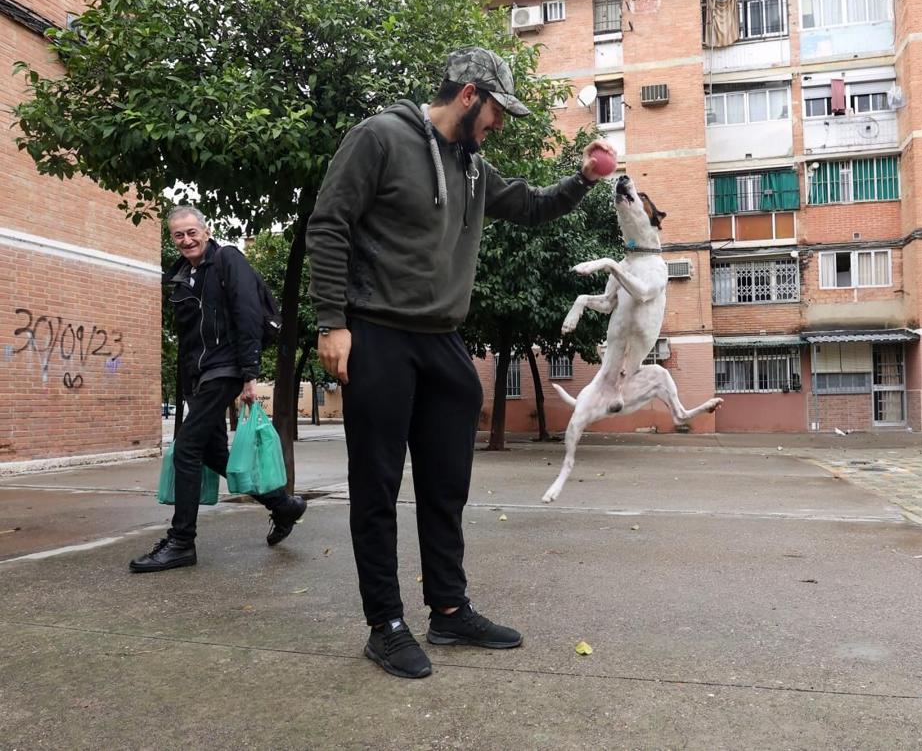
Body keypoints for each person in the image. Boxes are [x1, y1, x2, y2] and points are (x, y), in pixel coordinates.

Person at [307, 47, 616, 679]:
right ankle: (384, 624)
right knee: (377, 486)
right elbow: (329, 224)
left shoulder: (472, 167)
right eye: (499, 111)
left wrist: (582, 180)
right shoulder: (381, 138)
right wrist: (331, 323)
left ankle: (447, 608)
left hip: (443, 339)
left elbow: (529, 206)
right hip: (377, 333)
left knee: (447, 484)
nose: (501, 124)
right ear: (471, 94)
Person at [131, 206, 307, 573]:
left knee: (187, 448)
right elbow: (187, 340)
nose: (186, 240)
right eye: (178, 235)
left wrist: (249, 374)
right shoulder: (180, 276)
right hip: (201, 377)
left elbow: (246, 315)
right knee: (212, 453)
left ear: (206, 231)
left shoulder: (227, 260)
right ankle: (282, 505)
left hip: (226, 367)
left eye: (192, 232)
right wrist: (185, 387)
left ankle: (181, 542)